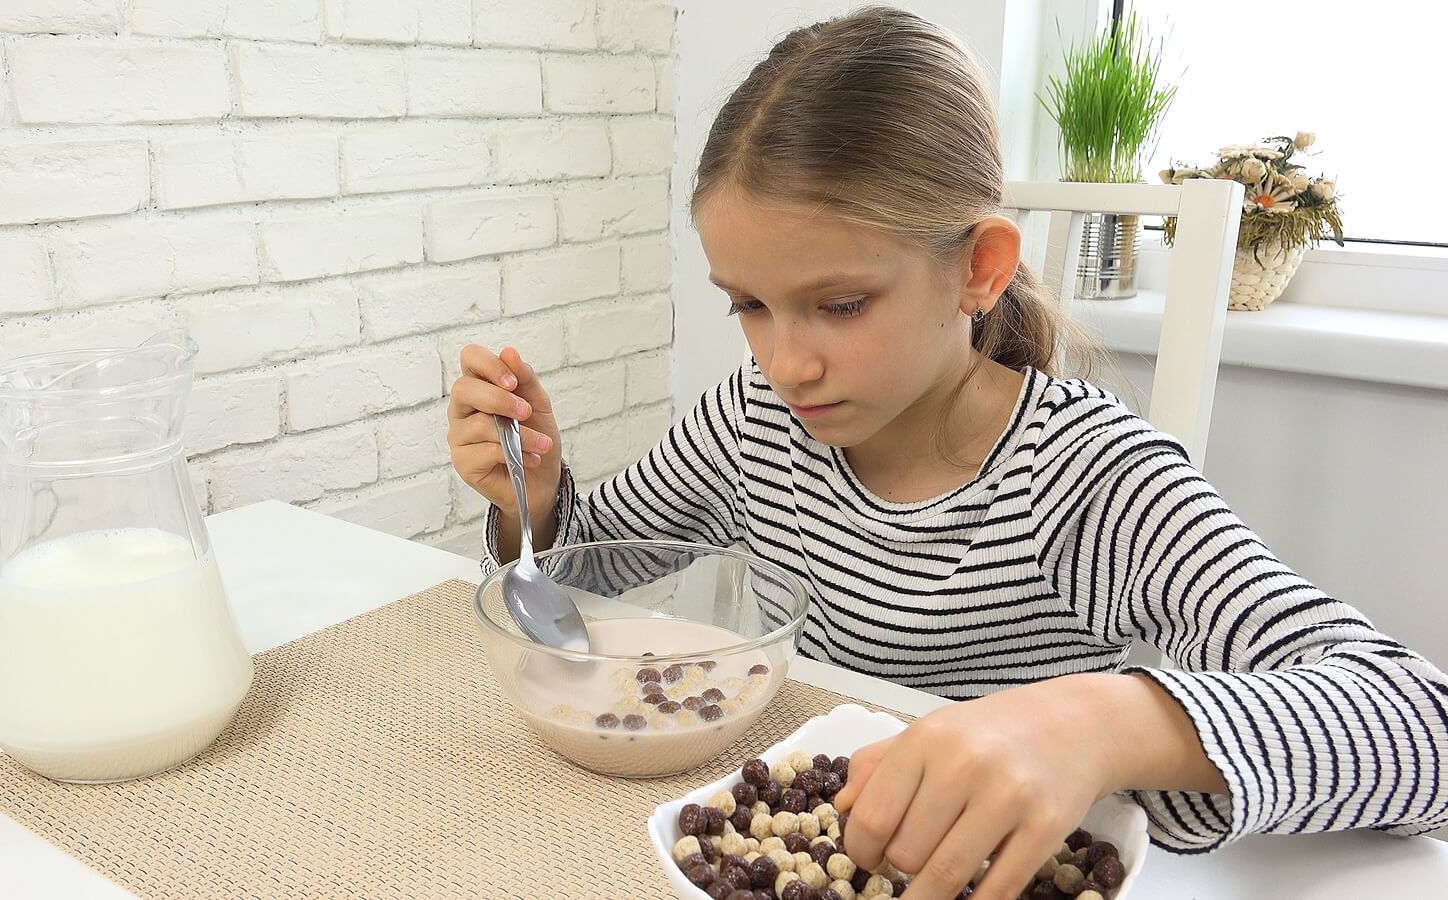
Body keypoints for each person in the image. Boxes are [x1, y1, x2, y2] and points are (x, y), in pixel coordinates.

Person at [446, 7, 1448, 899]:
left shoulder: (1089, 477)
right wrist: (534, 500)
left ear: (980, 268)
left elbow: (1422, 724)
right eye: (748, 304)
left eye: (842, 305)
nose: (786, 362)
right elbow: (587, 583)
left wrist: (1100, 725)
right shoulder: (753, 421)